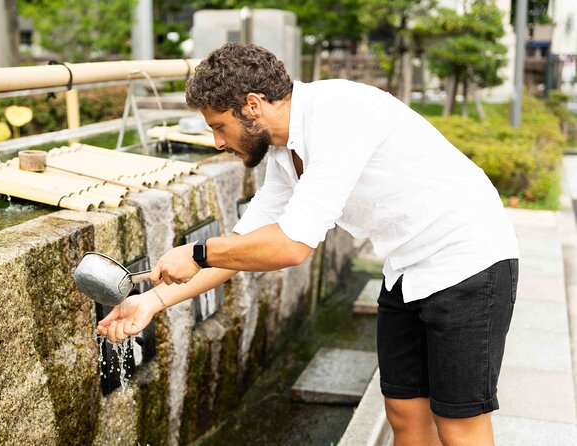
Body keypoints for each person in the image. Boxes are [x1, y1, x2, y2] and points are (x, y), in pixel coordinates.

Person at [97, 42, 518, 446]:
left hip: (469, 260)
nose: (218, 143)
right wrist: (151, 302)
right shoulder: (284, 153)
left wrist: (197, 253)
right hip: (407, 269)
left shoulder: (339, 115)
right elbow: (241, 247)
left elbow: (291, 247)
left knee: (459, 428)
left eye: (219, 126)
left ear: (253, 105)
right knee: (405, 416)